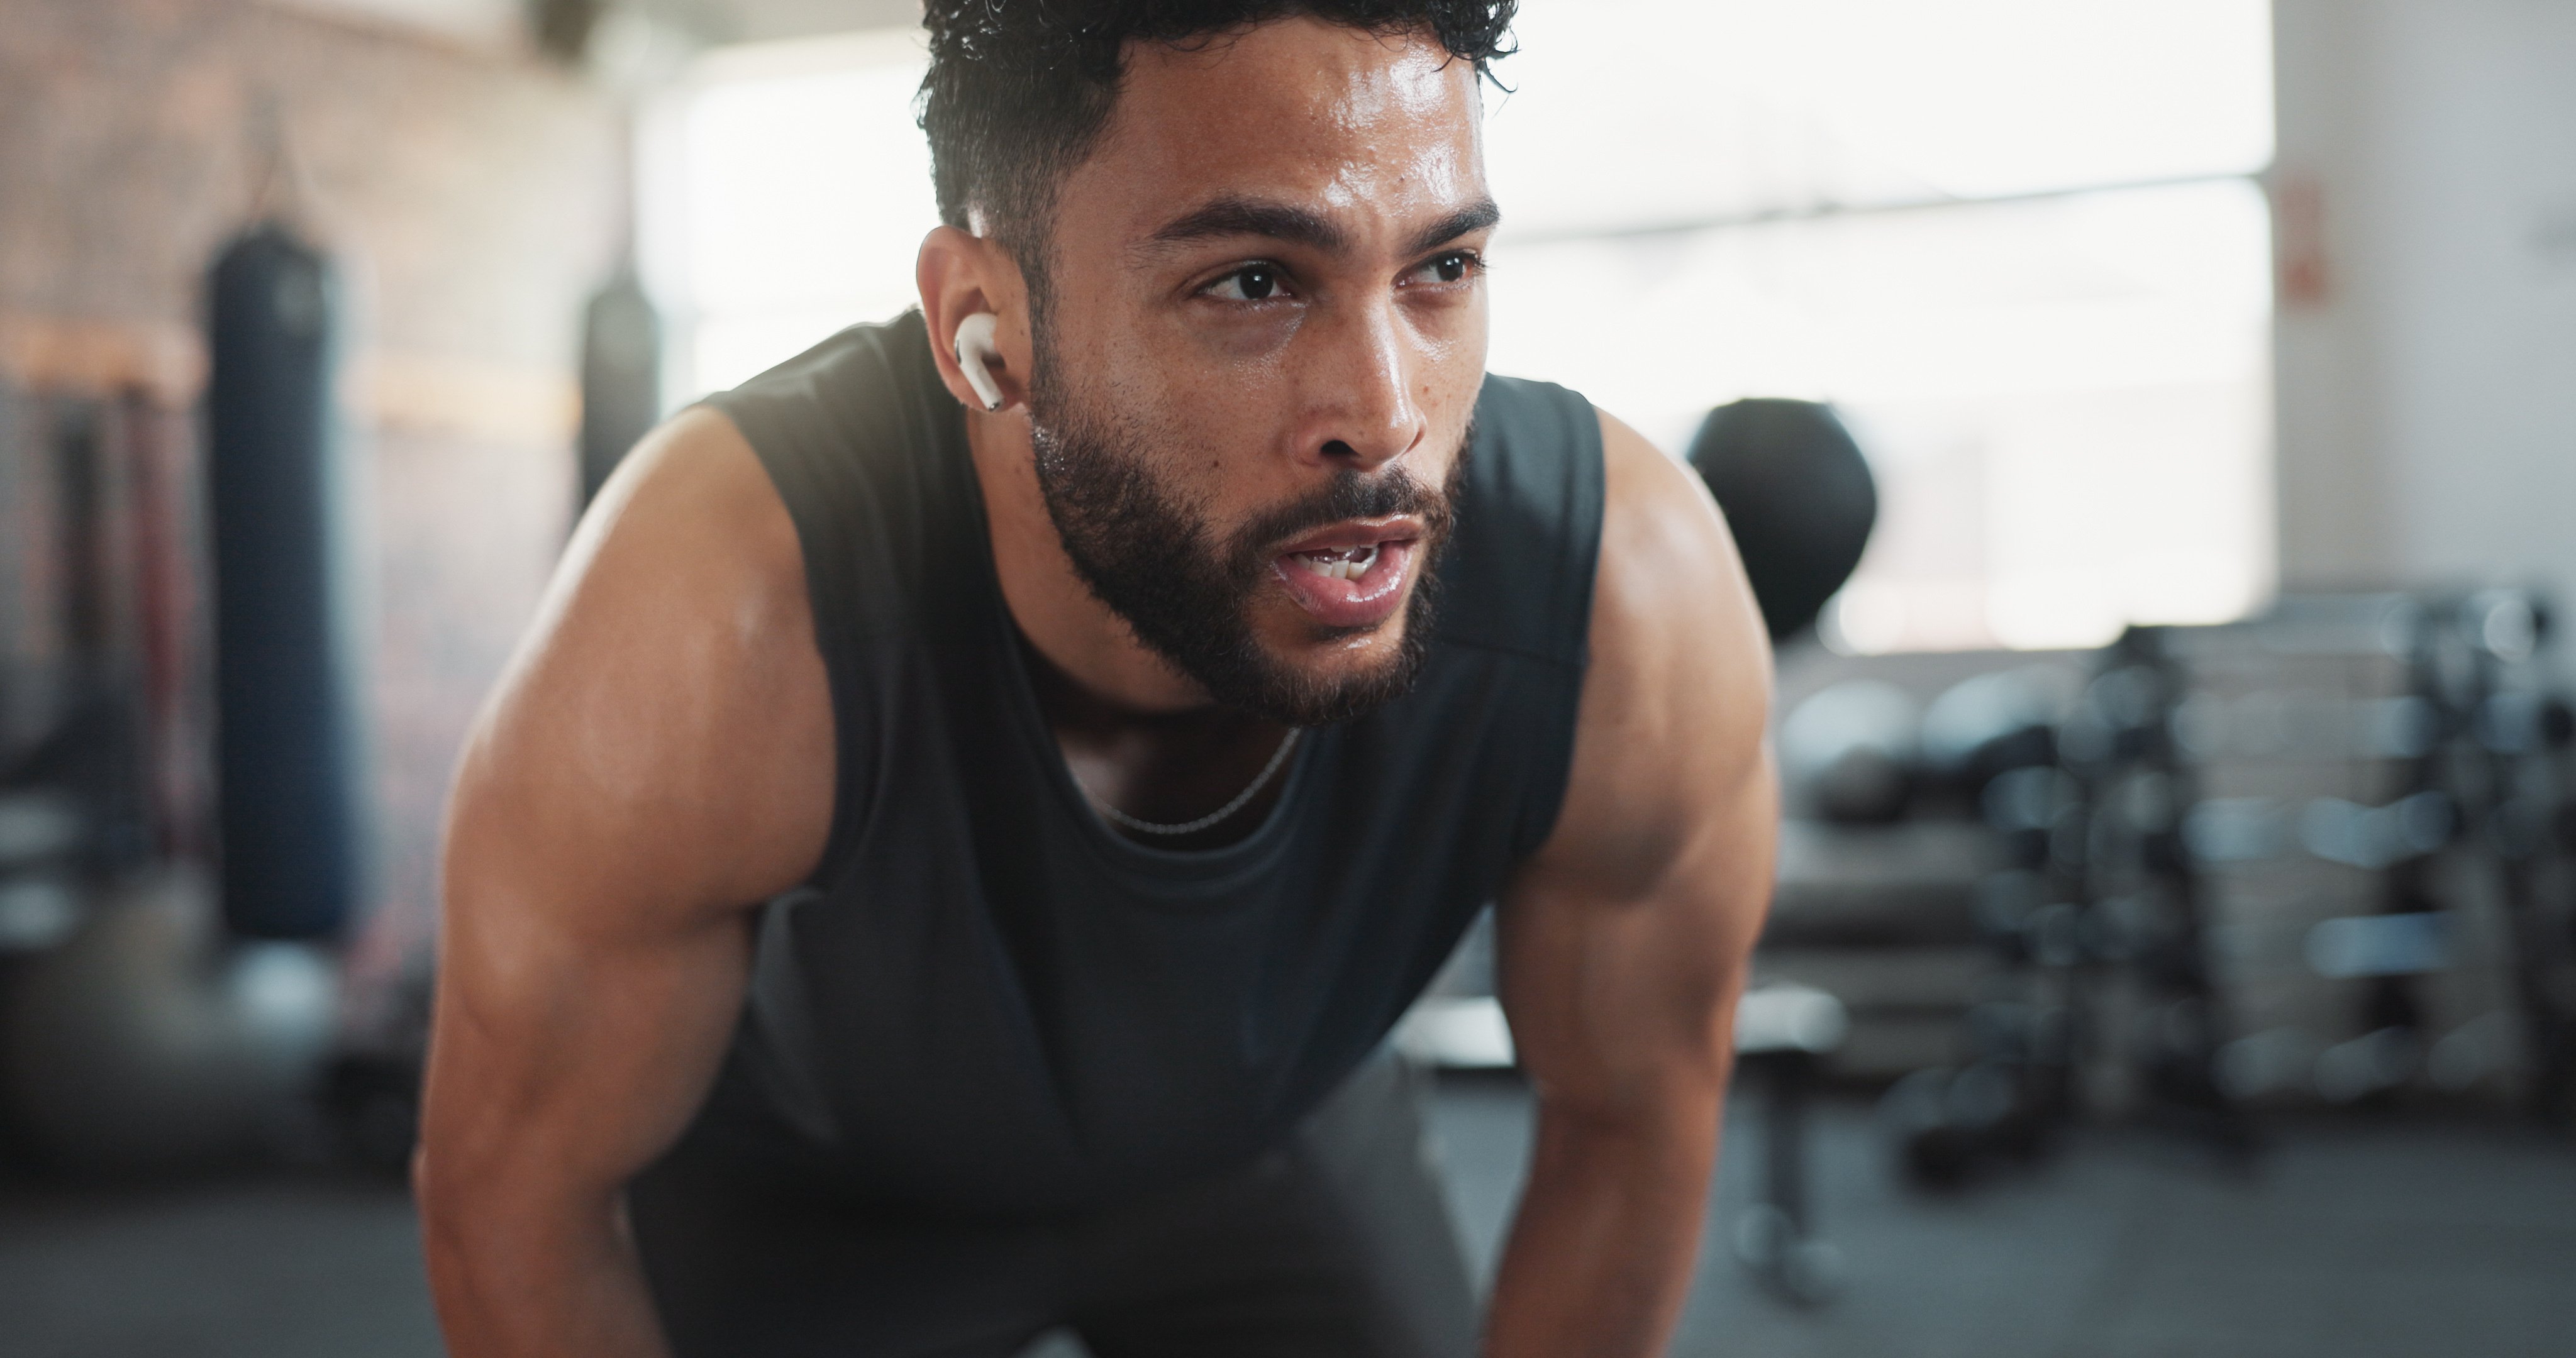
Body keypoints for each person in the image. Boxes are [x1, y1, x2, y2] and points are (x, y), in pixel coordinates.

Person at [416, 3, 1776, 1355]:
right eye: (1252, 281)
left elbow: (1633, 1116)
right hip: (823, 1198)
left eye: (1440, 271)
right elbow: (517, 1195)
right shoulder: (721, 611)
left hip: (1274, 1146)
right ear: (982, 323)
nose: (1384, 414)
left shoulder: (1616, 594)